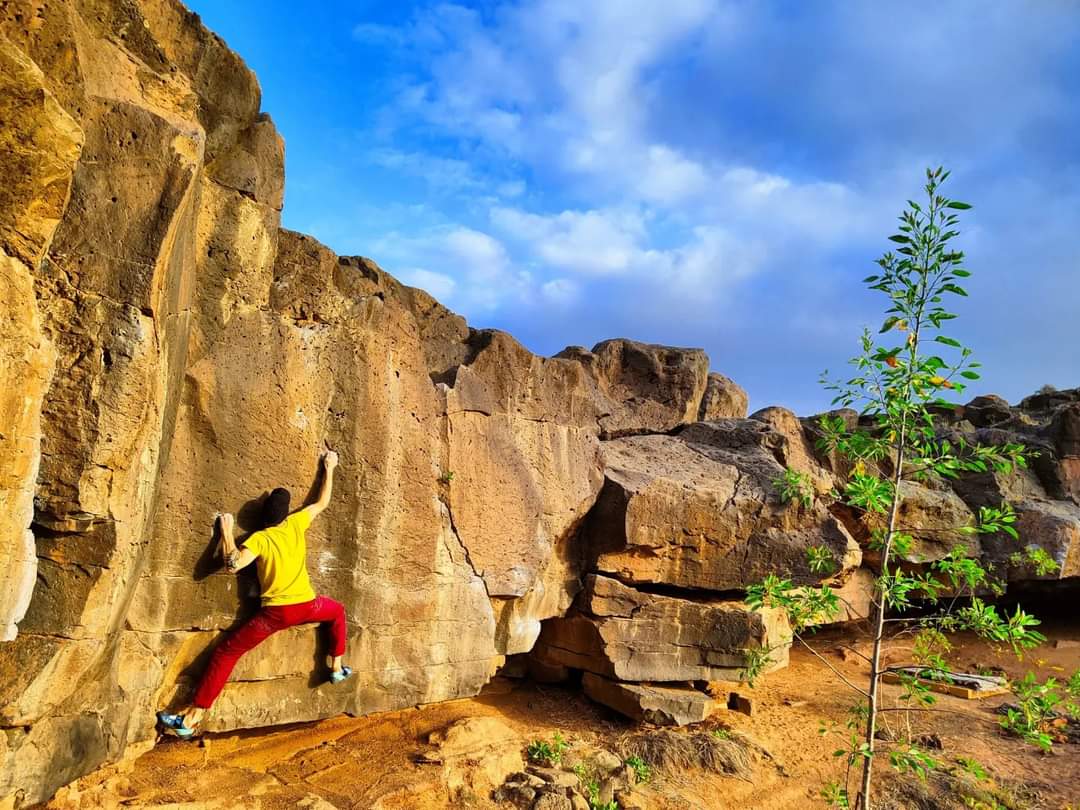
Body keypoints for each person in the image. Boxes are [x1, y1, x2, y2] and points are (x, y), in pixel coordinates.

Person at [157, 450, 351, 738]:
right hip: (307, 605)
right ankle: (336, 666)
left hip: (276, 613)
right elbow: (322, 501)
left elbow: (233, 564)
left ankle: (192, 717)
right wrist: (329, 466)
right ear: (286, 514)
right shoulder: (296, 524)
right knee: (336, 611)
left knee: (226, 652)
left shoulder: (260, 538)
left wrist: (225, 531)